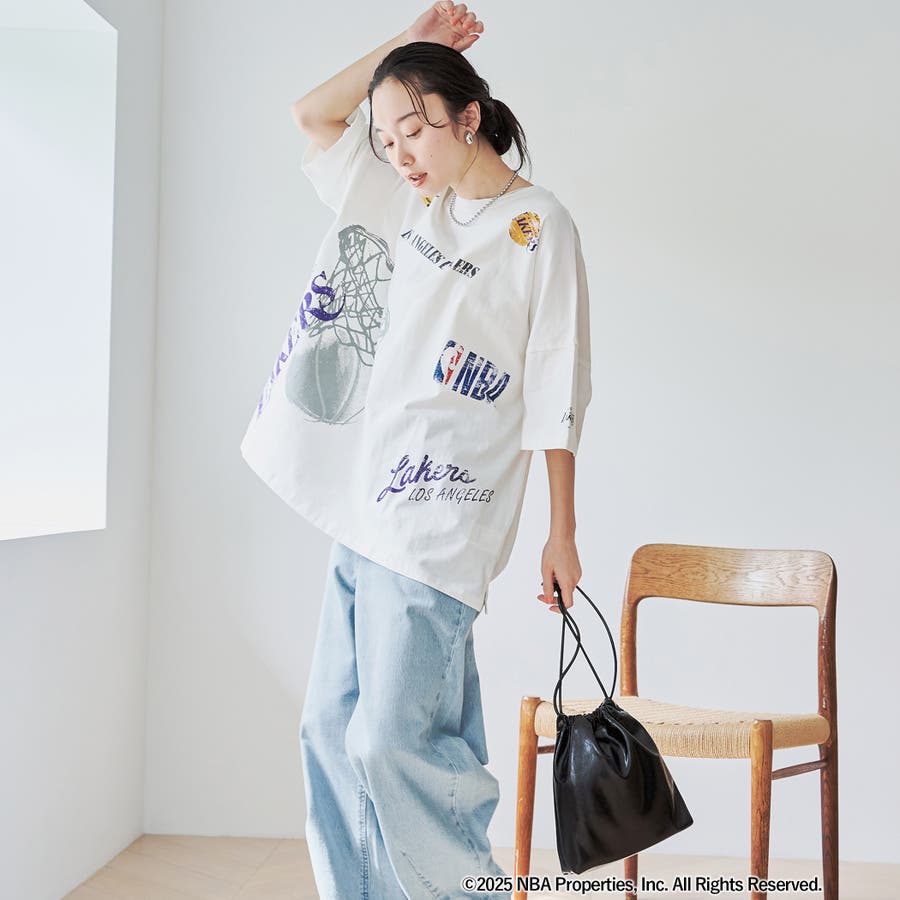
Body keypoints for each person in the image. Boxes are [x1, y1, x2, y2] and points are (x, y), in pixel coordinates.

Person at [240, 2, 592, 896]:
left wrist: (561, 532)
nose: (398, 153)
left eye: (416, 130)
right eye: (387, 136)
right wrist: (405, 47)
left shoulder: (539, 227)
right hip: (366, 506)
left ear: (468, 118)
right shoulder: (404, 200)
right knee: (329, 731)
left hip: (443, 519)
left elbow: (557, 388)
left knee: (391, 740)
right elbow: (311, 116)